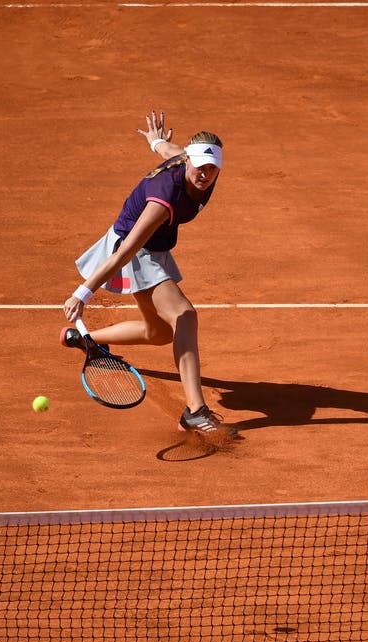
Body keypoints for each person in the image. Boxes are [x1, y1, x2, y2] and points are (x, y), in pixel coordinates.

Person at [61, 111, 235, 436]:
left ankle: (86, 340)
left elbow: (174, 151)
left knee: (159, 333)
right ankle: (194, 410)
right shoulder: (164, 196)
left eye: (213, 168)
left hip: (154, 248)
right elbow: (126, 250)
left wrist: (157, 142)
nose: (205, 174)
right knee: (184, 315)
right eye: (200, 166)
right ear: (188, 163)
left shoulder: (192, 162)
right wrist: (82, 292)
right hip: (135, 248)